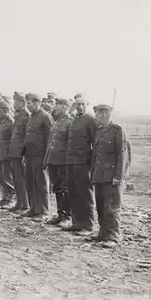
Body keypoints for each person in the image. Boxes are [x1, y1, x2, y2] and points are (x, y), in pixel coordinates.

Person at [89, 104, 131, 248]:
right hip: (100, 174)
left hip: (112, 176)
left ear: (105, 115)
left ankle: (113, 236)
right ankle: (103, 233)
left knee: (112, 207)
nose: (96, 118)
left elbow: (122, 156)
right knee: (101, 205)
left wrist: (119, 177)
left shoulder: (118, 131)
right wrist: (93, 173)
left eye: (98, 115)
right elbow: (96, 155)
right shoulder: (99, 131)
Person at [61, 93, 99, 235]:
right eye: (78, 104)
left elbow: (95, 143)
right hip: (71, 161)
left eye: (83, 104)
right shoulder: (75, 119)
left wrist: (92, 164)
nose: (80, 107)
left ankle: (88, 225)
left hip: (83, 162)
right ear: (74, 105)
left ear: (87, 105)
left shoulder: (90, 120)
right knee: (73, 192)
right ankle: (77, 222)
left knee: (85, 194)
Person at [22, 93, 54, 219]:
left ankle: (43, 211)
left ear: (37, 103)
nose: (27, 106)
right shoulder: (32, 117)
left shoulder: (45, 117)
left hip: (40, 156)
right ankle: (33, 208)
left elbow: (49, 140)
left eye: (29, 103)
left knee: (40, 183)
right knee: (30, 183)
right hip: (30, 155)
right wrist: (24, 154)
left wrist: (46, 158)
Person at [43, 98, 73, 227]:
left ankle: (67, 216)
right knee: (57, 188)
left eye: (59, 106)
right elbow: (51, 142)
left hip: (63, 161)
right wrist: (47, 159)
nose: (56, 108)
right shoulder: (56, 122)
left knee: (65, 189)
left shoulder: (70, 122)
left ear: (66, 107)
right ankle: (60, 214)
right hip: (54, 159)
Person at [7, 92, 30, 212]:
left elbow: (26, 136)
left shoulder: (26, 116)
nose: (14, 104)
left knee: (21, 179)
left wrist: (23, 152)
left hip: (20, 152)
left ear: (22, 103)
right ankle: (19, 202)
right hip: (14, 151)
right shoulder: (18, 116)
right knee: (16, 178)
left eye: (16, 102)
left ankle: (25, 204)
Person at [0, 100, 15, 207]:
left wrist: (8, 152)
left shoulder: (10, 121)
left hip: (6, 152)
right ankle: (4, 197)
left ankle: (10, 199)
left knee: (8, 177)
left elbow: (13, 139)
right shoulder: (3, 121)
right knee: (0, 176)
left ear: (6, 110)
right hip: (1, 151)